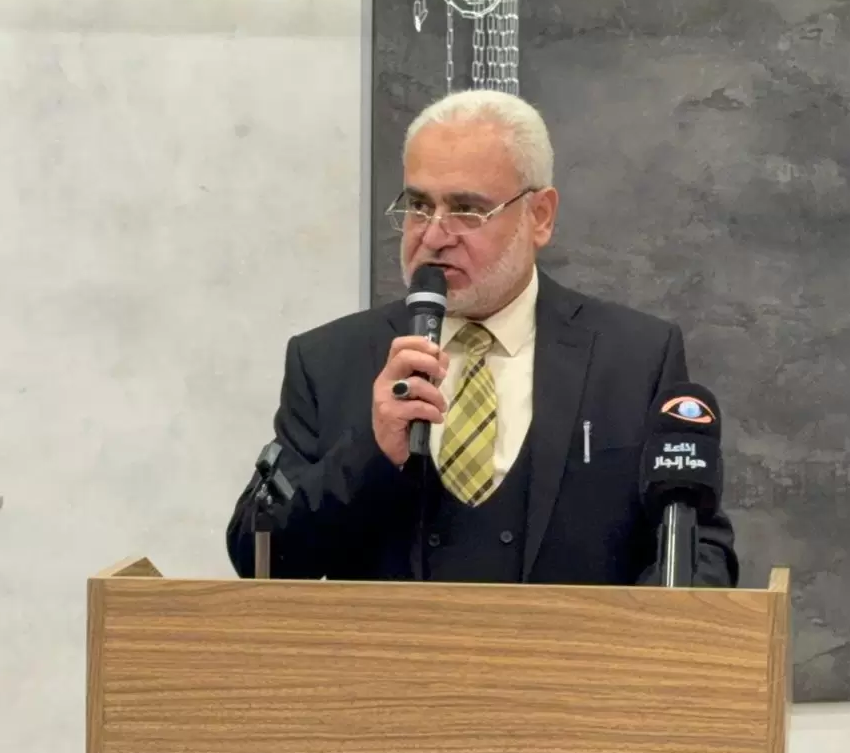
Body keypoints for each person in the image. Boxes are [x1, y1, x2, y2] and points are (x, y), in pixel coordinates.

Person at [226, 89, 737, 587]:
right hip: (387, 649)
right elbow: (260, 556)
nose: (433, 236)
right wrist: (370, 450)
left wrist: (630, 637)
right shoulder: (328, 361)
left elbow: (698, 550)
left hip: (573, 648)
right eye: (419, 206)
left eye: (467, 209)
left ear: (540, 216)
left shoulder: (633, 358)